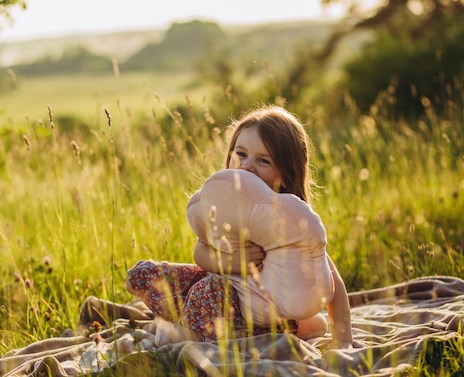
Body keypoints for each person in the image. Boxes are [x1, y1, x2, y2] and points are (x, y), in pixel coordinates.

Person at [126, 105, 353, 347]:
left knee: (209, 289)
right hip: (215, 300)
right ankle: (188, 323)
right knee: (143, 275)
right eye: (241, 154)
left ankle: (189, 334)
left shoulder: (291, 225)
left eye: (263, 160)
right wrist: (232, 264)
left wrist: (343, 339)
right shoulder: (225, 208)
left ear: (285, 174)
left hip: (255, 312)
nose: (246, 166)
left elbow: (332, 284)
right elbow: (200, 251)